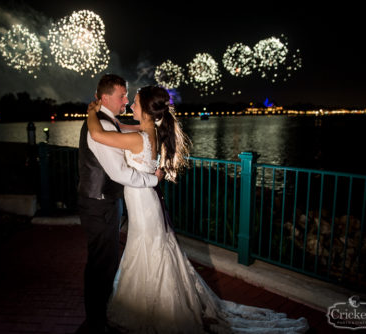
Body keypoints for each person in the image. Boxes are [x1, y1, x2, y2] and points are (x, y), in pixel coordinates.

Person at [86, 85, 310, 333]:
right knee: (150, 249)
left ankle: (157, 310)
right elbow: (123, 128)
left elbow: (97, 135)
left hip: (142, 202)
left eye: (135, 103)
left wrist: (91, 111)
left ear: (147, 110)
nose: (130, 106)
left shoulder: (137, 137)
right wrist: (113, 120)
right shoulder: (150, 131)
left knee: (147, 249)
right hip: (145, 200)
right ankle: (151, 304)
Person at [77, 74, 163, 334]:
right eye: (122, 96)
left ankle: (100, 314)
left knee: (106, 260)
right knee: (102, 263)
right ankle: (96, 320)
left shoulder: (107, 124)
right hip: (100, 203)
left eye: (130, 97)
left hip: (108, 201)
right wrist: (152, 180)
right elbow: (118, 173)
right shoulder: (104, 128)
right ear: (105, 98)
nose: (126, 100)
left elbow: (122, 132)